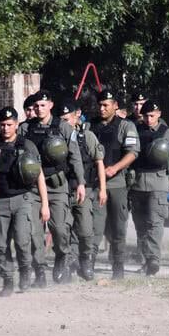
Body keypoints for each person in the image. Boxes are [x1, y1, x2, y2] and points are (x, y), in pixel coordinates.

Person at [19, 91, 87, 285]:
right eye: (36, 106)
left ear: (50, 105)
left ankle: (61, 257)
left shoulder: (63, 128)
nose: (39, 109)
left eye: (43, 105)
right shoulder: (25, 129)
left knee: (60, 228)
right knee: (34, 231)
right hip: (32, 188)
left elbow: (75, 157)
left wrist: (80, 183)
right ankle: (39, 270)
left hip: (57, 186)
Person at [0, 107, 50, 295]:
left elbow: (39, 175)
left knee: (23, 241)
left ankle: (25, 271)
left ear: (16, 125)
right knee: (1, 244)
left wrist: (45, 204)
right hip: (0, 201)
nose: (5, 128)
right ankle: (7, 280)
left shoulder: (27, 145)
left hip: (22, 199)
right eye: (2, 125)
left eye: (9, 125)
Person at [129, 100, 169, 275]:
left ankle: (154, 258)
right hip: (138, 182)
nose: (148, 119)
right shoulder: (135, 130)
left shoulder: (168, 133)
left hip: (159, 182)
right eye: (146, 116)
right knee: (140, 224)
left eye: (152, 116)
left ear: (159, 114)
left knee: (155, 222)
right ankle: (147, 259)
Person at [91, 89, 140, 279]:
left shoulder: (125, 126)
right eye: (100, 105)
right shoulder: (89, 126)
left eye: (106, 105)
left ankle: (118, 266)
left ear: (115, 106)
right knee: (95, 228)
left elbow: (133, 152)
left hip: (117, 184)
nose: (102, 109)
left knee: (118, 227)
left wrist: (115, 168)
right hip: (95, 184)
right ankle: (89, 265)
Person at [58, 100, 105, 281]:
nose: (64, 123)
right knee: (64, 231)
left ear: (76, 116)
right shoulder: (56, 138)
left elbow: (99, 162)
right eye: (61, 119)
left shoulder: (87, 136)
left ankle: (86, 259)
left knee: (85, 230)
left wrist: (102, 189)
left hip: (84, 190)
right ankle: (67, 264)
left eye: (67, 119)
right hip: (63, 189)